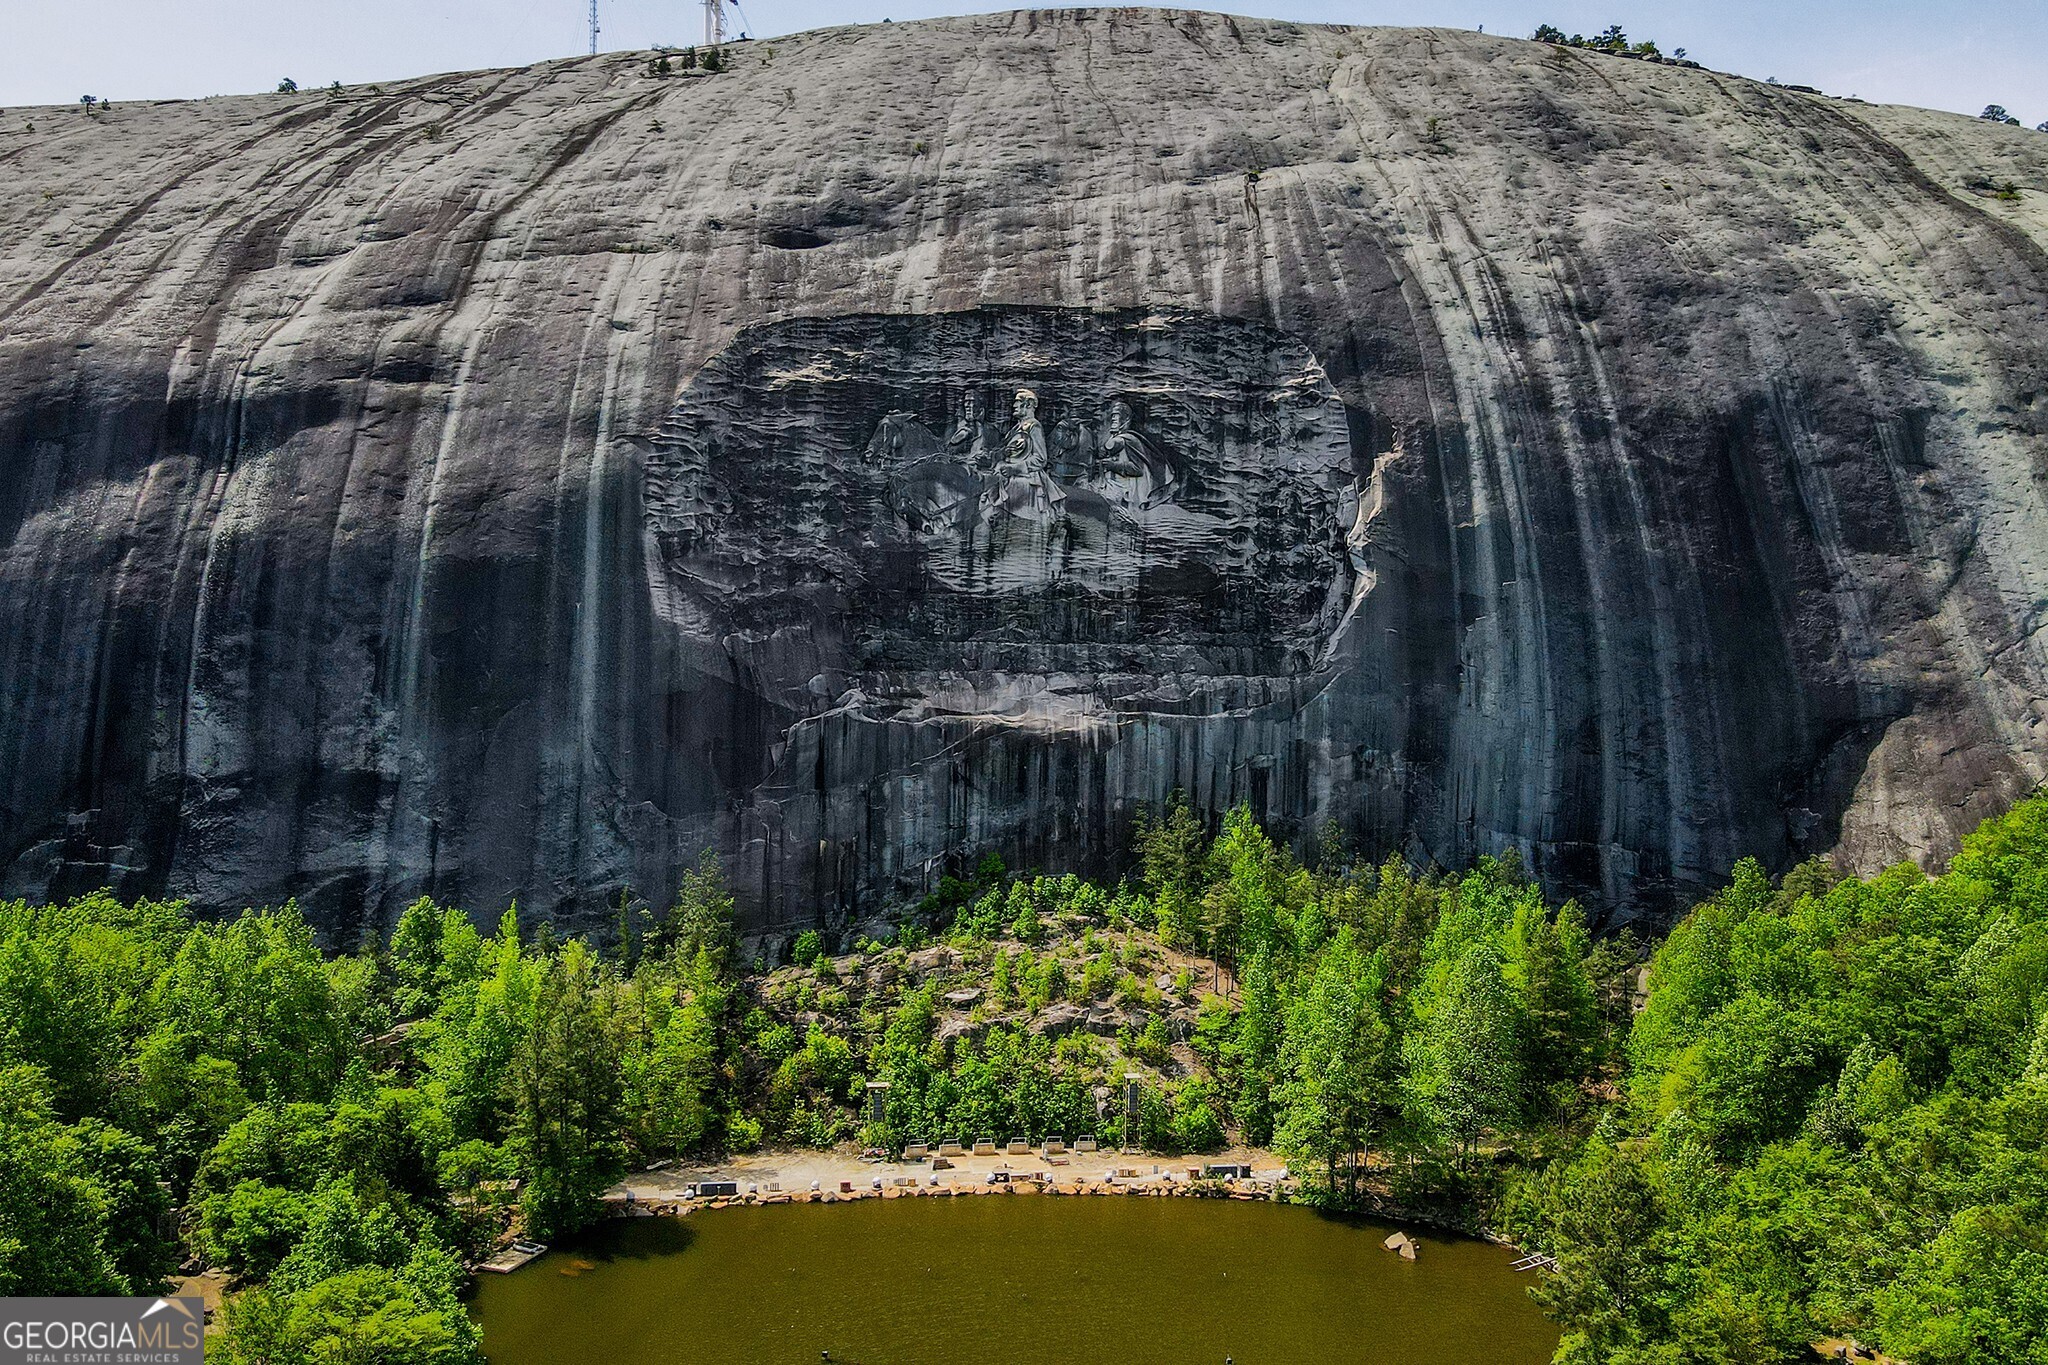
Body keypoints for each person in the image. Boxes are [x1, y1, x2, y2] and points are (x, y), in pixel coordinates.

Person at [995, 389, 1065, 518]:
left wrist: (1015, 468)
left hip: (1028, 478)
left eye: (1017, 402)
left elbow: (1040, 459)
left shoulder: (1034, 426)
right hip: (1007, 473)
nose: (1014, 406)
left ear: (1028, 404)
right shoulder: (1015, 429)